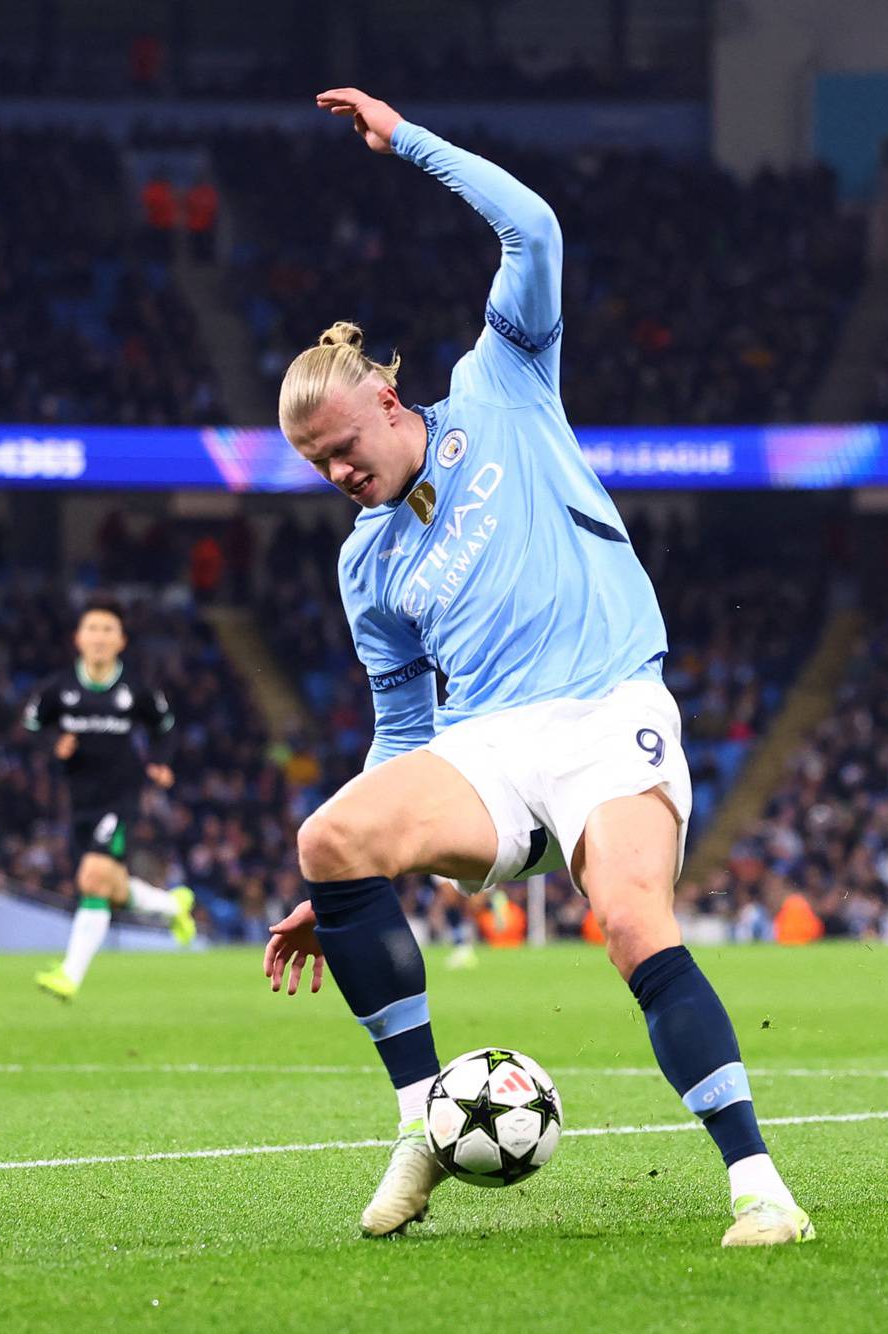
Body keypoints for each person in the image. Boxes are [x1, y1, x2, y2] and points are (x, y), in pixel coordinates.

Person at [259, 88, 812, 1249]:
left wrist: (406, 142)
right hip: (491, 749)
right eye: (315, 466)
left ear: (388, 400)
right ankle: (422, 1120)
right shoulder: (368, 564)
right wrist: (361, 863)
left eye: (342, 449)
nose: (336, 476)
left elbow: (536, 231)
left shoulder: (501, 388)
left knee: (631, 924)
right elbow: (402, 724)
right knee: (326, 837)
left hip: (609, 709)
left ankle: (760, 1184)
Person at [24, 600, 195, 1000]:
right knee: (111, 886)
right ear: (78, 639)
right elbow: (32, 726)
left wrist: (159, 761)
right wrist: (54, 743)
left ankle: (70, 974)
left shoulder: (135, 689)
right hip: (79, 801)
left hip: (121, 797)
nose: (99, 637)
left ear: (121, 641)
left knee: (93, 879)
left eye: (108, 630)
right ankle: (173, 907)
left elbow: (165, 729)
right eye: (92, 629)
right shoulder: (58, 690)